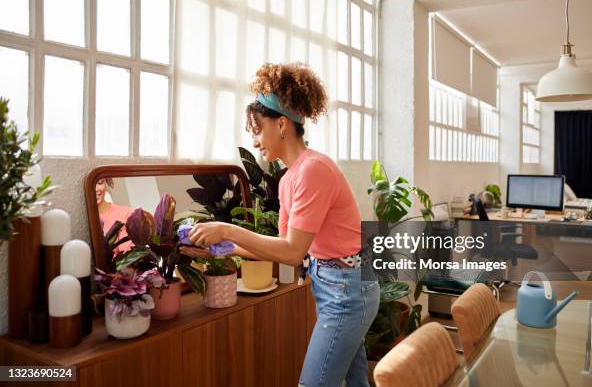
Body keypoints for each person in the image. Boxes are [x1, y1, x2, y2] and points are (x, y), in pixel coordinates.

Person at [181, 63, 380, 387]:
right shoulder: (290, 178)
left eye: (258, 130)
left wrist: (227, 228)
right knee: (355, 382)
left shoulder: (313, 170)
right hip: (337, 285)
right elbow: (282, 245)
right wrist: (217, 250)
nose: (255, 142)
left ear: (283, 124)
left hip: (347, 289)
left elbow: (292, 252)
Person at [96, 177, 133, 255]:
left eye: (100, 183)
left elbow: (128, 256)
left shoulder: (125, 213)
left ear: (106, 183)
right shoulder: (83, 221)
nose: (96, 189)